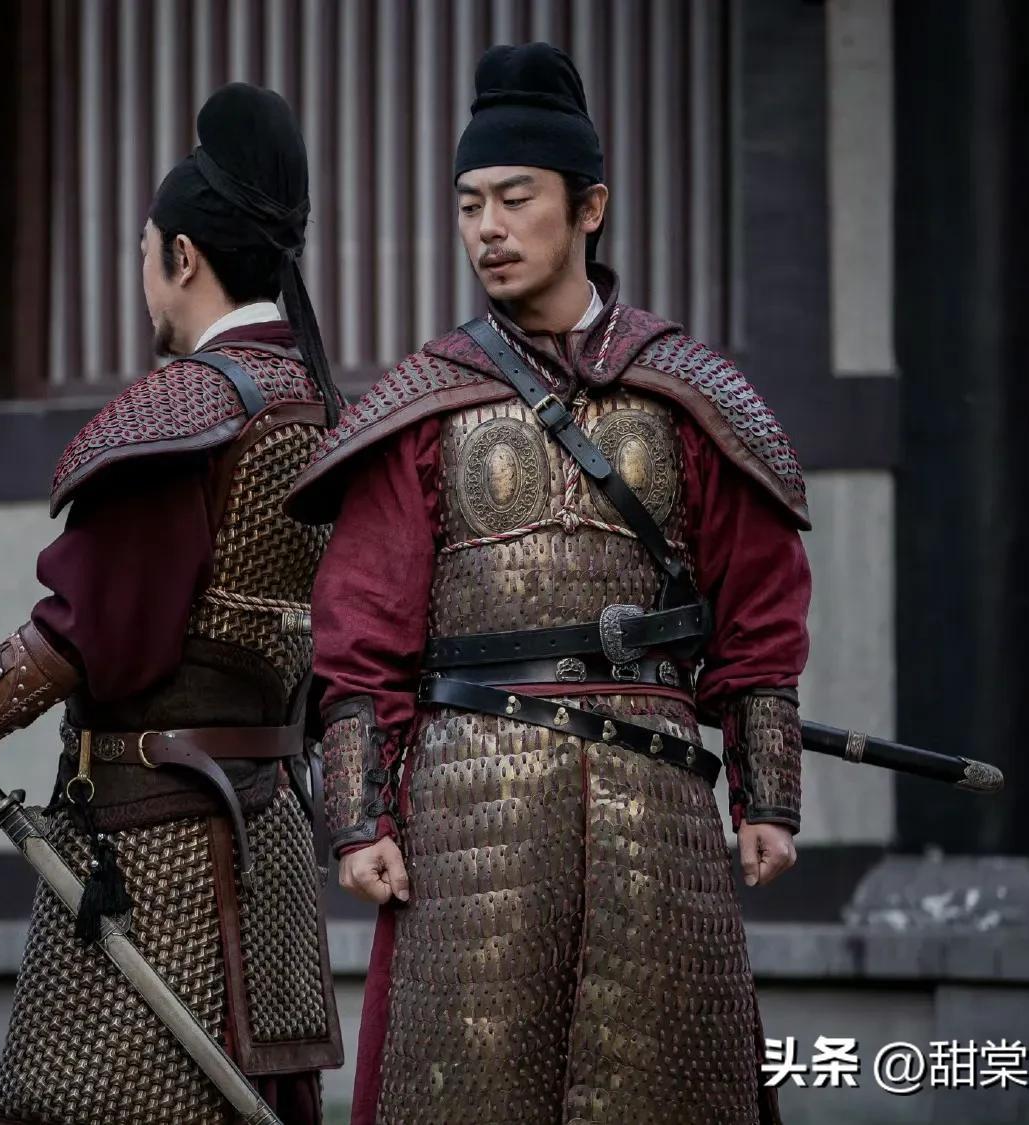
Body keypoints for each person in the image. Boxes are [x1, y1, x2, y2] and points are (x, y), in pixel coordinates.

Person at [287, 43, 811, 1124]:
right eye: (468, 203)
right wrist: (359, 818)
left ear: (589, 208)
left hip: (654, 807)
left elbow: (757, 603)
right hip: (468, 803)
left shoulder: (685, 392)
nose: (487, 227)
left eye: (515, 198)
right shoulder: (426, 400)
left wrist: (765, 795)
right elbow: (361, 626)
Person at [0, 82, 343, 1125]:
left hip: (161, 850)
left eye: (144, 250)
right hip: (271, 837)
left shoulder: (190, 408)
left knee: (102, 1106)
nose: (142, 273)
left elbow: (90, 623)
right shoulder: (314, 406)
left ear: (181, 256)